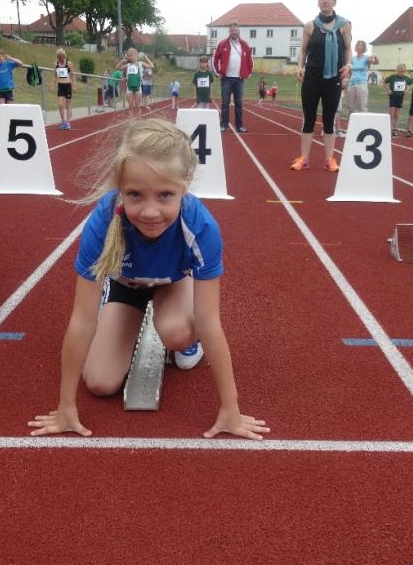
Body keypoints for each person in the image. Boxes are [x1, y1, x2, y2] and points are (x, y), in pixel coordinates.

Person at [27, 118, 269, 441]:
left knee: (177, 331)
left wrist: (231, 409)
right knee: (99, 382)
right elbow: (82, 319)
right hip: (126, 286)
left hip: (173, 282)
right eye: (135, 195)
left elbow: (209, 320)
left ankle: (184, 336)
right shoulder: (102, 223)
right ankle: (122, 311)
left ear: (186, 184)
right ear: (119, 187)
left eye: (165, 195)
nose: (150, 212)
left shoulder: (201, 226)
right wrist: (65, 407)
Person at [290, 0, 352, 172]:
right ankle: (304, 158)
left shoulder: (344, 25)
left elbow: (348, 49)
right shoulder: (310, 25)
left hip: (333, 78)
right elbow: (303, 50)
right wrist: (300, 66)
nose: (325, 1)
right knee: (308, 118)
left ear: (335, 1)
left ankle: (329, 160)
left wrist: (348, 65)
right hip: (312, 77)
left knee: (329, 120)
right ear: (318, 2)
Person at [212, 21, 253, 133]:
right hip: (226, 78)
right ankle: (223, 125)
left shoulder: (245, 44)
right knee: (225, 103)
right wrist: (217, 73)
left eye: (235, 30)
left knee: (239, 103)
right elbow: (214, 58)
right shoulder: (222, 44)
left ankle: (239, 126)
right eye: (232, 30)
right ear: (229, 32)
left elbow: (250, 59)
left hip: (239, 79)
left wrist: (249, 73)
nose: (234, 32)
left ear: (239, 31)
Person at [118, 48, 154, 118]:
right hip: (129, 88)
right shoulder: (128, 65)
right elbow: (118, 68)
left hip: (138, 87)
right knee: (130, 107)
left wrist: (146, 58)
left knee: (137, 107)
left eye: (132, 55)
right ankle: (131, 122)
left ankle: (138, 121)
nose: (131, 57)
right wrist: (122, 61)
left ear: (136, 56)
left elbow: (152, 66)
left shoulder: (141, 63)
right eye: (130, 56)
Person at [347, 40, 378, 115]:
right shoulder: (352, 58)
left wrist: (375, 57)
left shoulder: (366, 57)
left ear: (363, 48)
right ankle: (350, 120)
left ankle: (363, 120)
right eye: (357, 45)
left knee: (362, 105)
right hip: (352, 83)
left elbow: (376, 62)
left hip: (362, 83)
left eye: (360, 45)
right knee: (350, 106)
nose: (358, 47)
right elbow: (349, 69)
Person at [384, 64, 412, 136]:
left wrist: (406, 89)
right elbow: (384, 83)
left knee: (397, 115)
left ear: (405, 71)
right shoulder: (392, 77)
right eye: (400, 72)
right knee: (391, 114)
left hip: (400, 97)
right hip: (393, 97)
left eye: (403, 72)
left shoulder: (406, 78)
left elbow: (410, 84)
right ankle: (387, 128)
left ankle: (395, 129)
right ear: (397, 71)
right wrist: (388, 90)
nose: (401, 73)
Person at [53, 48, 75, 130]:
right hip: (60, 86)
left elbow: (73, 75)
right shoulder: (56, 64)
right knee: (60, 105)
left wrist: (74, 85)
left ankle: (68, 123)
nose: (60, 59)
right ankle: (63, 122)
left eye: (61, 57)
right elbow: (54, 75)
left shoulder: (69, 64)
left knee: (68, 105)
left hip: (68, 85)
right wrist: (53, 84)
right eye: (58, 57)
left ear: (64, 56)